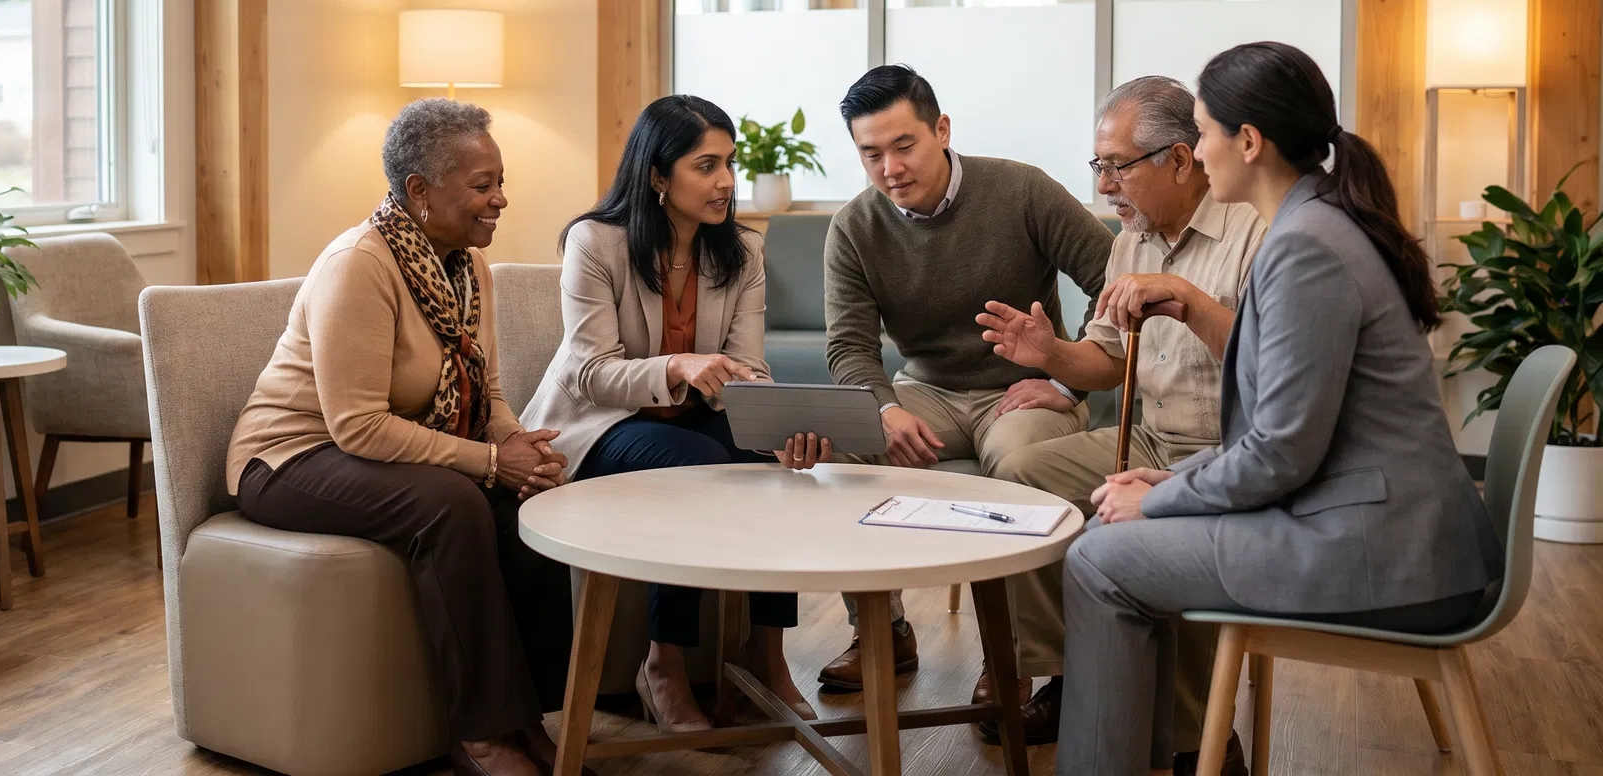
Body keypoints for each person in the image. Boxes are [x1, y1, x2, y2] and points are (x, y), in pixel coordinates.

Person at [1058, 42, 1502, 776]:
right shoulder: (1318, 224)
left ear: (1249, 142)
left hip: (1382, 555)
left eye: (1204, 133)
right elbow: (1283, 431)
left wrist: (1159, 501)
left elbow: (1282, 451)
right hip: (1383, 534)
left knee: (1098, 560)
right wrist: (1170, 482)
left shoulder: (1306, 248)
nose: (1197, 153)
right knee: (1112, 541)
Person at [225, 99, 574, 776]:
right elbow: (356, 425)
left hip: (380, 452)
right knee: (454, 503)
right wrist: (489, 461)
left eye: (501, 182)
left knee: (531, 502)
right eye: (482, 185)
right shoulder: (359, 264)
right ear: (420, 191)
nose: (500, 199)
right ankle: (481, 735)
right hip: (289, 458)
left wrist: (519, 450)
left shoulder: (468, 268)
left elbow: (488, 391)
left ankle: (529, 718)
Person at [973, 76, 1265, 772]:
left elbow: (1271, 362)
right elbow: (1107, 359)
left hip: (1226, 450)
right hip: (1147, 437)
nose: (1104, 185)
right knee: (1019, 477)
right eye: (1097, 165)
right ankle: (1066, 675)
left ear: (1181, 160)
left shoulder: (1255, 232)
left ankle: (1202, 737)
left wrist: (1189, 300)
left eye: (1117, 166)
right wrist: (1050, 355)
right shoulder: (1128, 240)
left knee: (1157, 531)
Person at [521, 95, 829, 732]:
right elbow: (589, 372)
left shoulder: (741, 251)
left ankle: (767, 653)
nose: (727, 182)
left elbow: (750, 366)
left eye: (730, 163)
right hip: (599, 423)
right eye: (706, 166)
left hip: (690, 417)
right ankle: (662, 664)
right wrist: (675, 366)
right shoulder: (595, 242)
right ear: (658, 175)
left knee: (777, 470)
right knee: (699, 464)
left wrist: (772, 424)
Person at [818, 64, 1115, 692]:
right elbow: (849, 346)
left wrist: (1067, 380)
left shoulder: (1023, 190)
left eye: (904, 145)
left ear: (942, 130)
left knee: (1018, 462)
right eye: (871, 154)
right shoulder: (854, 226)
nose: (890, 168)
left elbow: (1114, 282)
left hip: (1023, 391)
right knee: (840, 449)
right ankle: (882, 631)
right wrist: (883, 410)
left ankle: (1015, 657)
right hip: (926, 390)